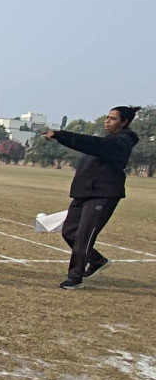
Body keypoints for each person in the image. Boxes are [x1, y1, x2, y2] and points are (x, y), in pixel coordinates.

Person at [43, 106, 141, 290]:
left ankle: (75, 278)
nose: (107, 121)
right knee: (69, 232)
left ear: (124, 122)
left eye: (112, 118)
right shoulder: (109, 139)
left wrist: (60, 135)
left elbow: (91, 144)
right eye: (107, 117)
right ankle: (97, 260)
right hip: (84, 193)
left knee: (84, 235)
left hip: (103, 194)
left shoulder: (121, 141)